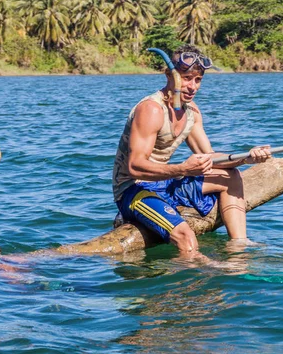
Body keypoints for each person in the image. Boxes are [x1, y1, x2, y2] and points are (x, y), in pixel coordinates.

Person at [112, 45, 271, 259]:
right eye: (186, 78)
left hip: (165, 183)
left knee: (230, 176)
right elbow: (135, 166)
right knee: (186, 238)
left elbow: (210, 157)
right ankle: (194, 281)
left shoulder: (192, 111)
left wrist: (247, 157)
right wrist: (183, 169)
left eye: (198, 80)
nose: (192, 86)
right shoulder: (151, 109)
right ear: (169, 75)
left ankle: (238, 247)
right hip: (134, 190)